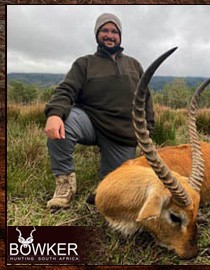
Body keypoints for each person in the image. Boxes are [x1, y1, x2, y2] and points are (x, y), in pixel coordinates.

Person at [44, 13, 154, 209]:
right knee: (64, 122)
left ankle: (106, 177)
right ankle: (65, 185)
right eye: (104, 30)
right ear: (97, 34)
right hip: (90, 122)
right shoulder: (84, 63)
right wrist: (54, 114)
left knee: (113, 186)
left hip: (122, 134)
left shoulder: (134, 65)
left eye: (114, 31)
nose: (109, 35)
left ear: (120, 36)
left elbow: (145, 100)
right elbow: (66, 89)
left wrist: (148, 132)